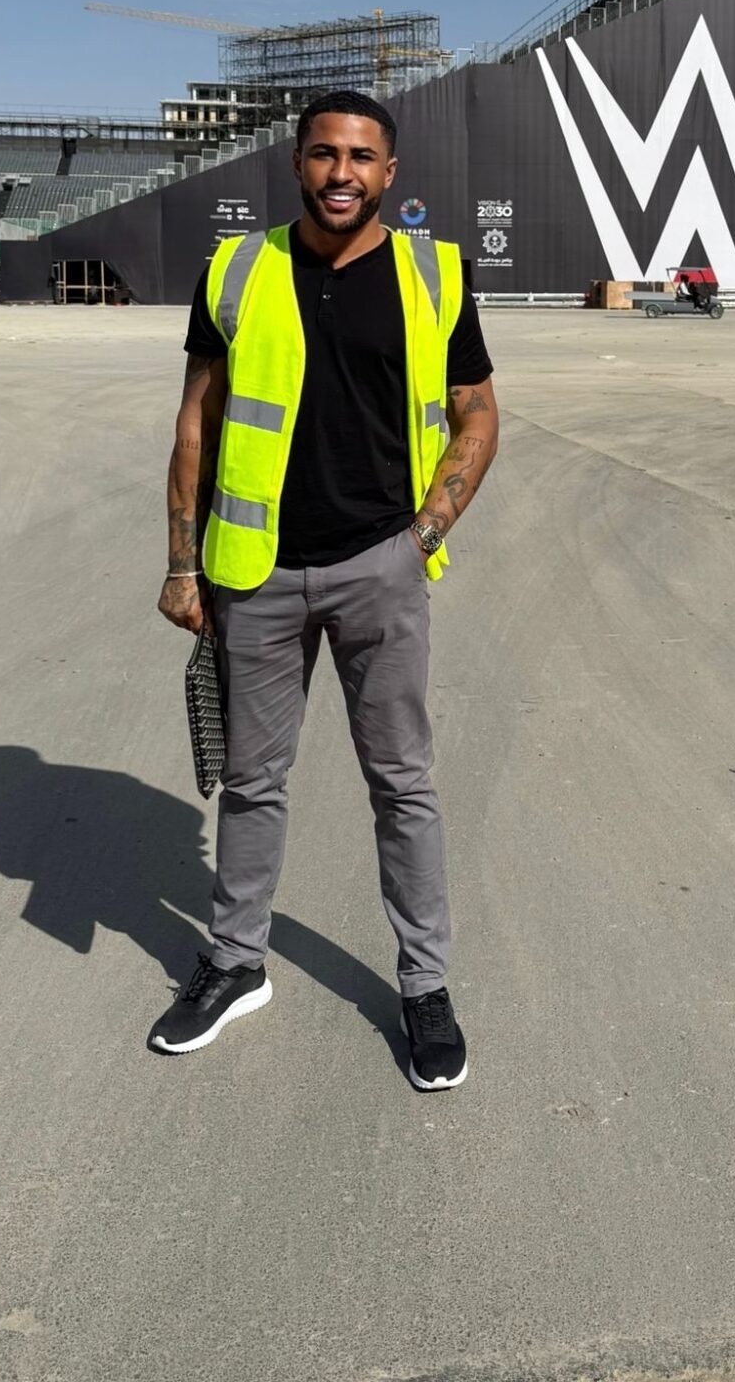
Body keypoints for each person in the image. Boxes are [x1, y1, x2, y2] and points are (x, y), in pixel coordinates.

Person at [151, 90, 499, 1090]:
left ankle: (425, 985)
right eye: (322, 154)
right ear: (296, 164)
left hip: (379, 568)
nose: (341, 171)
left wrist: (424, 532)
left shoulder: (434, 274)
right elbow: (196, 424)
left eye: (361, 156)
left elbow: (477, 415)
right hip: (253, 571)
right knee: (254, 781)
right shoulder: (238, 269)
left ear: (391, 172)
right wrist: (183, 561)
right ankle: (233, 961)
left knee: (403, 782)